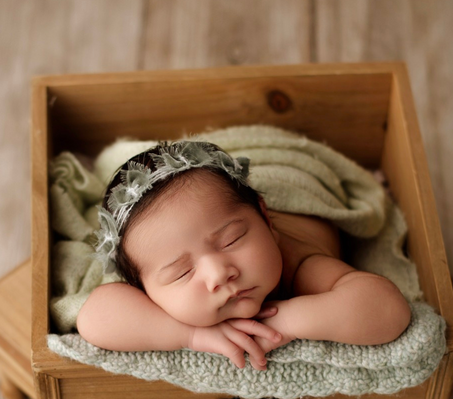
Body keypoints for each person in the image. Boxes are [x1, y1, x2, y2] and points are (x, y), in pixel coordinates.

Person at [75, 140, 412, 370]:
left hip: (293, 176)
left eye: (232, 239)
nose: (219, 273)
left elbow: (387, 309)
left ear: (266, 220)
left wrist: (281, 323)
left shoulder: (301, 266)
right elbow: (94, 317)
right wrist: (191, 335)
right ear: (144, 289)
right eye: (181, 273)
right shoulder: (150, 274)